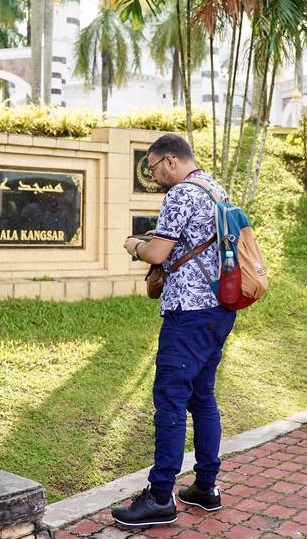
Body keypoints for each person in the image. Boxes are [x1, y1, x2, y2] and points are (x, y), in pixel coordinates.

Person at [113, 133, 236, 527]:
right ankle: (206, 486)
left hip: (188, 314)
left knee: (169, 398)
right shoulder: (214, 188)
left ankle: (161, 496)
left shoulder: (182, 194)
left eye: (152, 169)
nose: (153, 177)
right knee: (201, 397)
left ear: (169, 160)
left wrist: (133, 244)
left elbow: (157, 252)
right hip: (218, 309)